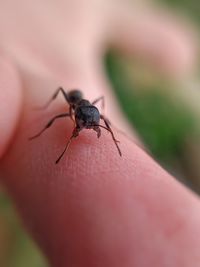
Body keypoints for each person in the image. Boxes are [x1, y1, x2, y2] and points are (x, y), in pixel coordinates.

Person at [0, 1, 199, 266]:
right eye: (84, 123)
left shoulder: (93, 113)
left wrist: (113, 137)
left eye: (88, 123)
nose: (85, 128)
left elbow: (97, 118)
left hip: (87, 104)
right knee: (60, 114)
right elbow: (77, 118)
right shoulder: (70, 107)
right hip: (72, 98)